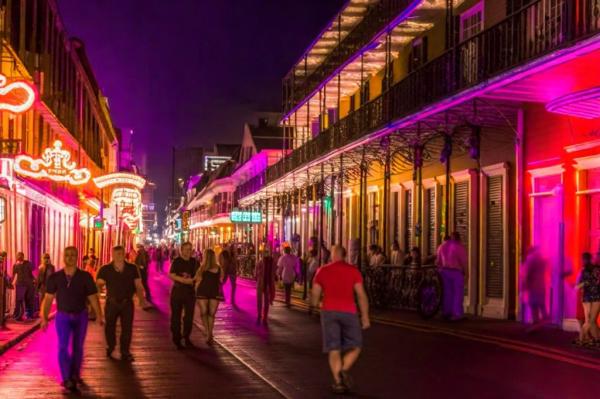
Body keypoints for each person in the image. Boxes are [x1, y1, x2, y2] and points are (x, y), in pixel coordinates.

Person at [41, 246, 103, 393]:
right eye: (67, 255)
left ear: (77, 257)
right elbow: (48, 298)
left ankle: (75, 374)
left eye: (73, 255)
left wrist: (99, 315)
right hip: (62, 316)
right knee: (62, 346)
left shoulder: (85, 277)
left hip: (81, 316)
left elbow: (92, 297)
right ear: (64, 257)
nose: (70, 258)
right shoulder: (55, 277)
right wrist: (44, 317)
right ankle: (66, 378)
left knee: (77, 347)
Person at [312, 245, 370, 394]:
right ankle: (344, 369)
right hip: (349, 311)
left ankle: (338, 382)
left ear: (333, 255)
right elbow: (361, 295)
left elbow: (315, 293)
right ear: (344, 255)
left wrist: (315, 305)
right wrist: (365, 316)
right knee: (356, 345)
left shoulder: (323, 270)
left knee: (334, 348)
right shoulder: (353, 271)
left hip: (328, 311)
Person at [96, 246, 151, 361]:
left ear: (124, 254)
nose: (119, 256)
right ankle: (111, 346)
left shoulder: (132, 268)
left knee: (127, 328)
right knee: (109, 327)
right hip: (112, 302)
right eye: (117, 254)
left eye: (121, 253)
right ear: (112, 254)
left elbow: (138, 285)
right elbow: (98, 285)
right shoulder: (105, 269)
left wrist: (142, 300)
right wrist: (94, 300)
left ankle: (125, 351)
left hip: (127, 302)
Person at [169, 242, 198, 349]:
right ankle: (177, 338)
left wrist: (194, 281)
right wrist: (183, 280)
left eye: (190, 249)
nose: (188, 251)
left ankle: (186, 337)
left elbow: (198, 275)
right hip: (177, 292)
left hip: (190, 293)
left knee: (189, 317)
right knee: (176, 316)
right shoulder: (176, 261)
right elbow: (171, 275)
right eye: (186, 249)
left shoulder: (195, 262)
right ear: (181, 250)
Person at [195, 249, 224, 345]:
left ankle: (207, 332)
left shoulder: (201, 268)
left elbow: (198, 281)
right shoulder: (219, 268)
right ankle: (210, 333)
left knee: (204, 313)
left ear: (205, 257)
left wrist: (194, 291)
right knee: (211, 314)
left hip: (202, 291)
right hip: (214, 291)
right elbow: (221, 280)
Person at [437, 232, 468, 321]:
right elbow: (464, 262)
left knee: (447, 293)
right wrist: (467, 274)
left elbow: (438, 261)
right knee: (457, 293)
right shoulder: (459, 247)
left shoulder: (441, 247)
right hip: (456, 272)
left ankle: (446, 312)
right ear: (458, 238)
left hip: (444, 272)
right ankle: (456, 313)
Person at [520, 247, 549, 332]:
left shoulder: (530, 259)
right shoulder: (541, 260)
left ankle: (538, 322)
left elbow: (526, 274)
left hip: (533, 287)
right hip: (541, 286)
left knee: (534, 305)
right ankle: (542, 321)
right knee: (540, 304)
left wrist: (524, 288)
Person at [577, 252, 600, 343]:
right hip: (590, 297)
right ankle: (584, 338)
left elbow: (582, 283)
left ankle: (584, 338)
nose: (596, 259)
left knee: (591, 320)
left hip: (594, 296)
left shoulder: (593, 269)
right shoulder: (587, 269)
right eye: (595, 257)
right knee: (591, 321)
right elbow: (581, 283)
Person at [12, 252, 35, 320]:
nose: (19, 257)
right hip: (20, 284)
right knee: (19, 300)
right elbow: (15, 275)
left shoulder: (28, 263)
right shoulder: (15, 265)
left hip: (29, 284)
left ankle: (29, 315)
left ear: (23, 256)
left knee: (29, 300)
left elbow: (33, 270)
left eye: (20, 256)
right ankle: (18, 315)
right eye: (18, 256)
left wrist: (34, 280)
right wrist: (13, 283)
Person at [255, 250, 276, 326]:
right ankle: (262, 316)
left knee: (263, 301)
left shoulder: (262, 262)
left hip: (265, 283)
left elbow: (256, 273)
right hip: (264, 283)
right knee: (263, 301)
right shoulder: (262, 262)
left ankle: (262, 316)